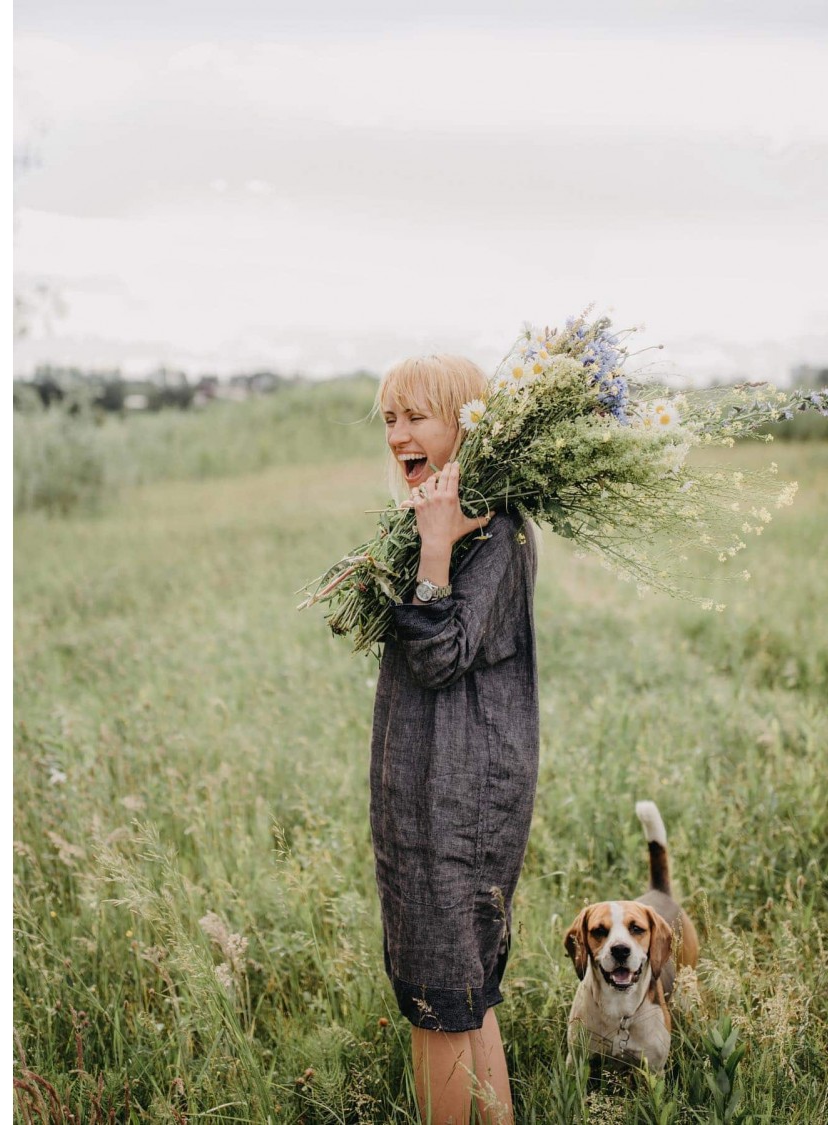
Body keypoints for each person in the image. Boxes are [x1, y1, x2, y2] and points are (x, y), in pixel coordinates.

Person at [370, 355, 540, 1124]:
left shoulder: (493, 531)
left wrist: (434, 547)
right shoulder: (448, 515)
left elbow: (439, 655)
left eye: (417, 417)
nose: (399, 434)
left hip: (461, 801)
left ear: (467, 423)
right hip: (430, 792)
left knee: (441, 997)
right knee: (456, 987)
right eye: (389, 420)